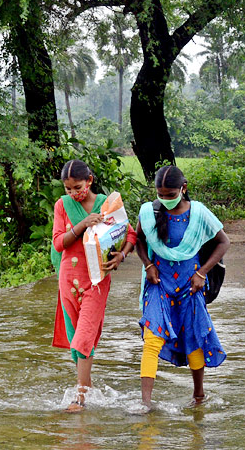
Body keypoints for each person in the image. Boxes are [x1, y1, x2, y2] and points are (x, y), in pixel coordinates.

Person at [134, 164, 229, 411]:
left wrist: (202, 273)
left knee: (194, 337)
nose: (165, 199)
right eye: (160, 194)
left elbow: (223, 242)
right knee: (152, 339)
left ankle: (198, 395)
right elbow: (139, 240)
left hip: (191, 283)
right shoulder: (148, 212)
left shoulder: (198, 213)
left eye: (170, 194)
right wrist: (147, 265)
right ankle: (145, 404)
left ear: (183, 188)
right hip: (158, 282)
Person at [51, 159, 137, 412]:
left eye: (77, 187)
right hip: (68, 278)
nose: (73, 193)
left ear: (89, 181)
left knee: (84, 335)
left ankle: (80, 396)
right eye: (68, 189)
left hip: (96, 279)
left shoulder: (106, 204)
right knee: (74, 335)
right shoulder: (62, 205)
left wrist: (121, 256)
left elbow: (129, 234)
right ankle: (86, 386)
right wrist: (83, 224)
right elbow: (59, 243)